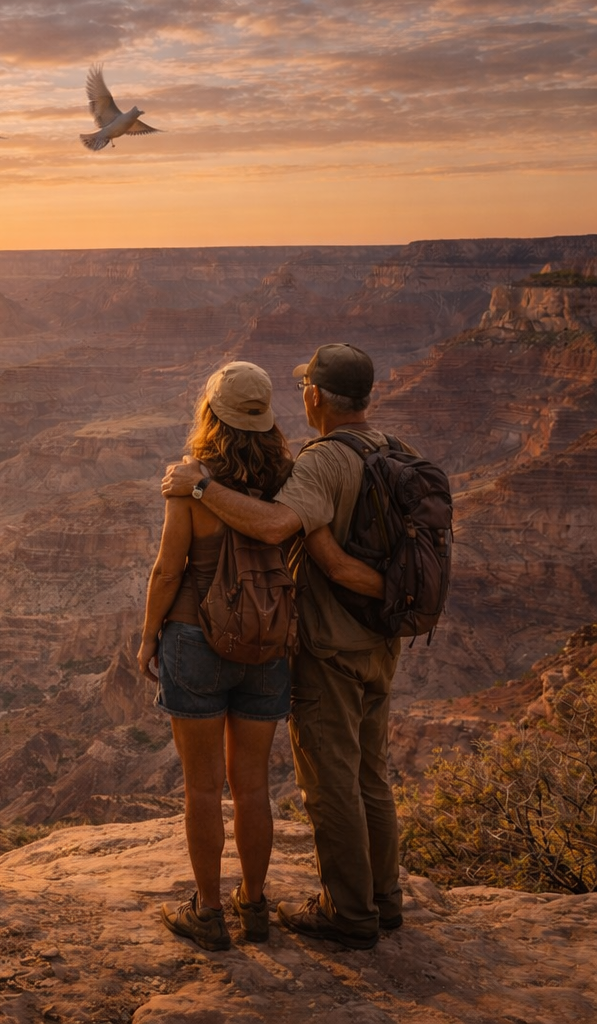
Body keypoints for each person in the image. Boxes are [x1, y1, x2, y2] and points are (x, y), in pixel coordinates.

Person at [162, 343, 405, 951]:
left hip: (310, 645)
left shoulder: (314, 466)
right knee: (358, 778)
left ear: (315, 397)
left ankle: (328, 913)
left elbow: (252, 535)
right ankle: (363, 901)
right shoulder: (384, 454)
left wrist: (196, 488)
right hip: (362, 640)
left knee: (320, 783)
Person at [139, 362, 293, 951]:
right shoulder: (287, 480)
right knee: (252, 786)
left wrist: (148, 634)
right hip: (267, 642)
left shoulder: (191, 483)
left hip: (194, 641)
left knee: (202, 789)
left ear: (211, 415)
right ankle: (254, 906)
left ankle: (208, 913)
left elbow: (167, 567)